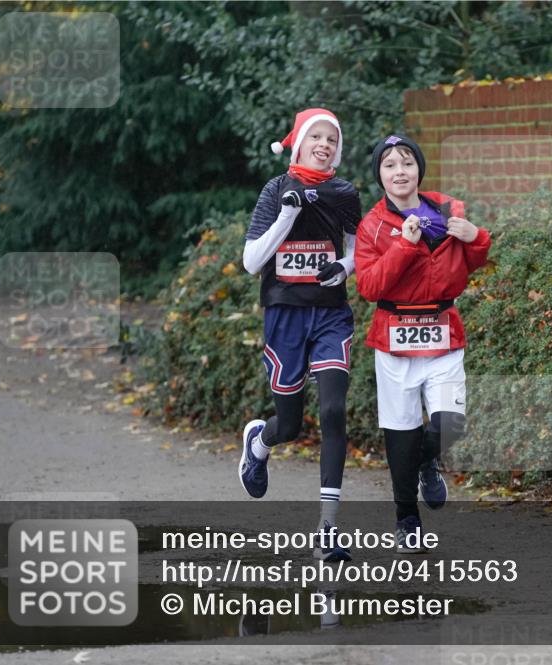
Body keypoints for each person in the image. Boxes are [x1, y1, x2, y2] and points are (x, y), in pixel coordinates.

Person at [354, 134, 491, 552]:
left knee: (451, 425)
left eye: (407, 163)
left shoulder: (449, 209)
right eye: (390, 164)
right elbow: (369, 285)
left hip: (443, 332)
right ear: (380, 174)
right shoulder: (372, 226)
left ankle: (429, 460)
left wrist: (477, 237)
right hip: (394, 339)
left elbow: (472, 261)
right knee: (401, 433)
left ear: (419, 170)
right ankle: (407, 520)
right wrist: (404, 245)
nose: (400, 171)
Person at [238, 108, 360, 562]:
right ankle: (260, 441)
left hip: (330, 316)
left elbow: (356, 252)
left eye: (332, 139)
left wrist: (342, 268)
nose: (325, 144)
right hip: (285, 316)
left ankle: (328, 530)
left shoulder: (344, 193)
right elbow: (252, 262)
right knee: (289, 425)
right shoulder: (275, 190)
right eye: (317, 137)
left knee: (332, 411)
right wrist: (286, 219)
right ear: (299, 142)